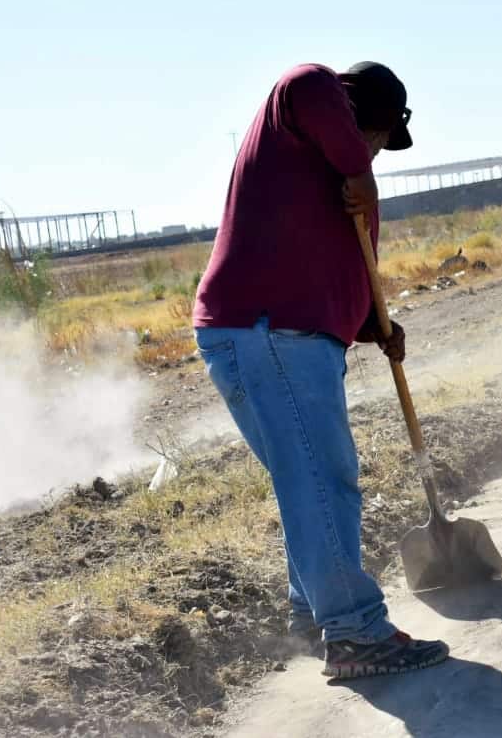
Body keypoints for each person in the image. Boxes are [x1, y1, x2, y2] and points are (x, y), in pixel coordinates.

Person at [193, 61, 450, 680]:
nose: (375, 155)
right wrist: (362, 172)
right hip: (270, 333)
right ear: (361, 115)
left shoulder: (338, 186)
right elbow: (309, 84)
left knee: (303, 479)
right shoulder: (308, 93)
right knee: (322, 479)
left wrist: (376, 327)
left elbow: (348, 281)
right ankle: (356, 633)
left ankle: (312, 618)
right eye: (378, 139)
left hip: (271, 336)